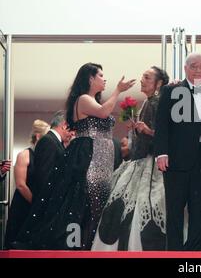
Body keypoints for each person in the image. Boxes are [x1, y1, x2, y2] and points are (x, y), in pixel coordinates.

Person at [14, 63, 135, 250]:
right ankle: (80, 248)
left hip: (101, 160)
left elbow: (101, 112)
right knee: (85, 205)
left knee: (95, 207)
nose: (105, 79)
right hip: (90, 158)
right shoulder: (83, 99)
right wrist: (118, 90)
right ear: (90, 79)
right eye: (100, 75)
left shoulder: (91, 101)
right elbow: (103, 112)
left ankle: (89, 246)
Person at [92, 66, 169, 251]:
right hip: (141, 161)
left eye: (147, 77)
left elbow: (167, 136)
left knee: (139, 210)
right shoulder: (148, 102)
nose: (142, 80)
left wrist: (146, 131)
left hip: (151, 164)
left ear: (158, 83)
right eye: (143, 76)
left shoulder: (157, 102)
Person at [154, 53, 201, 251]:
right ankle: (173, 254)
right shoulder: (171, 90)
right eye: (194, 66)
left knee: (200, 213)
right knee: (174, 212)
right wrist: (161, 153)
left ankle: (195, 255)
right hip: (175, 163)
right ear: (185, 68)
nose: (198, 70)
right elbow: (162, 124)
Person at [4, 119, 50, 248]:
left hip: (38, 204)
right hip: (24, 203)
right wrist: (36, 203)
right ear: (38, 137)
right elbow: (20, 185)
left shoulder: (46, 156)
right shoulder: (24, 155)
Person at [32, 110, 71, 198]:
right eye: (72, 128)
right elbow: (44, 176)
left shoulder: (54, 141)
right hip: (47, 201)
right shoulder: (48, 141)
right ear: (64, 126)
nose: (72, 133)